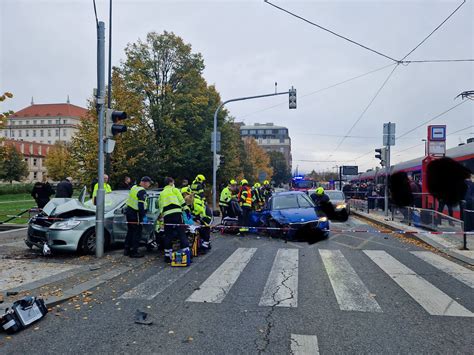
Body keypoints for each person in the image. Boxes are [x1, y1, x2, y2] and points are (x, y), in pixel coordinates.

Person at [159, 177, 190, 263]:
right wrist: (186, 210)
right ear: (170, 183)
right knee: (181, 233)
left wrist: (163, 217)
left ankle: (167, 256)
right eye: (173, 182)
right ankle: (186, 255)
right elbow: (181, 201)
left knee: (168, 235)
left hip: (167, 216)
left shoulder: (162, 193)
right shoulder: (175, 190)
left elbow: (161, 206)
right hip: (177, 214)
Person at [124, 176, 152, 258]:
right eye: (148, 183)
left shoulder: (134, 187)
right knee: (137, 233)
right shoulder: (142, 191)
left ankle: (127, 249)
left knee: (130, 232)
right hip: (136, 214)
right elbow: (140, 205)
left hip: (129, 212)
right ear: (144, 182)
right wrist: (143, 216)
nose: (149, 185)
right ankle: (134, 252)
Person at [182, 187, 212, 253]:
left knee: (204, 229)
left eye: (184, 194)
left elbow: (201, 212)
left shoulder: (196, 202)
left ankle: (205, 246)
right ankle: (205, 243)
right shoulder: (190, 202)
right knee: (200, 230)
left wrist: (197, 218)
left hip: (206, 216)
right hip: (201, 217)